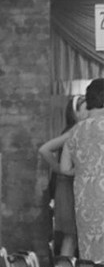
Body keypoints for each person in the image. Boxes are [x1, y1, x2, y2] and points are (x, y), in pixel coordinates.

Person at [60, 78, 104, 263]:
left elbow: (64, 167)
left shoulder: (75, 131)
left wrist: (84, 173)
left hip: (86, 203)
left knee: (91, 259)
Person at [38, 95, 88, 256]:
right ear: (75, 113)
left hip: (71, 186)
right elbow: (44, 149)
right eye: (86, 109)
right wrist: (61, 169)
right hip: (69, 187)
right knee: (71, 236)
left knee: (72, 237)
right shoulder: (73, 131)